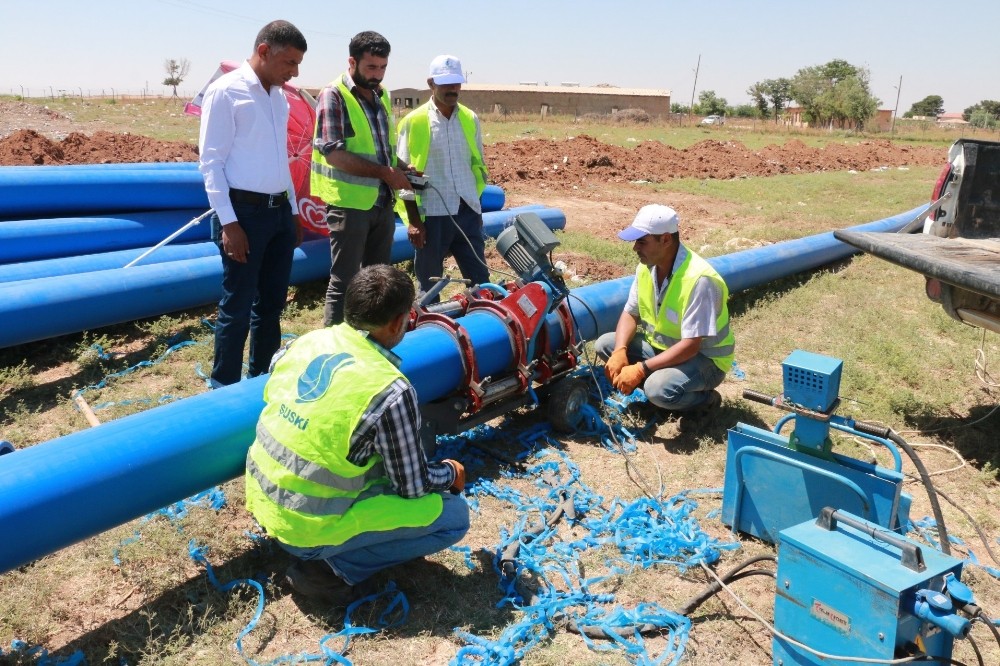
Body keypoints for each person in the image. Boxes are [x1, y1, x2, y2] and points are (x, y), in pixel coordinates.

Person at [245, 264, 470, 604]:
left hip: (264, 500)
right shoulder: (388, 389)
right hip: (306, 527)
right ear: (399, 321)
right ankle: (332, 569)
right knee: (453, 516)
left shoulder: (305, 343)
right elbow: (412, 487)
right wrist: (451, 473)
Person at [198, 20, 307, 388]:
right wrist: (229, 224)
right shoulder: (226, 92)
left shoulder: (278, 97)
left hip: (278, 212)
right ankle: (223, 387)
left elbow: (282, 159)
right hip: (243, 214)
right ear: (264, 51)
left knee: (272, 305)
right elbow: (210, 163)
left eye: (297, 64)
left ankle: (261, 379)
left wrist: (292, 211)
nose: (294, 72)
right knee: (238, 306)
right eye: (289, 62)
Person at [311, 31, 414, 326]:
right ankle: (334, 345)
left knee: (377, 281)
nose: (377, 74)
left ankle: (368, 339)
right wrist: (386, 173)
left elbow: (382, 151)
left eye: (382, 67)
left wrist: (402, 168)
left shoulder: (380, 95)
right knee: (344, 281)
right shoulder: (333, 95)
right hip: (350, 205)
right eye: (371, 67)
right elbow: (333, 153)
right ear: (352, 62)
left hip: (381, 202)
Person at [596, 204, 734, 414]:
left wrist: (641, 369)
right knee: (606, 344)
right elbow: (631, 313)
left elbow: (690, 346)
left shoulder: (699, 280)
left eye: (642, 242)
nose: (635, 248)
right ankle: (661, 391)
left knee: (658, 389)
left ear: (666, 239)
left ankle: (704, 400)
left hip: (706, 360)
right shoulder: (646, 267)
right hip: (664, 348)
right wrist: (620, 350)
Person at [396, 55, 490, 299]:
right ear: (431, 83)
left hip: (467, 210)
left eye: (456, 83)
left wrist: (476, 207)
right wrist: (414, 221)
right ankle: (430, 329)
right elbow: (403, 176)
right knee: (429, 286)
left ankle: (483, 326)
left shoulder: (470, 118)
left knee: (480, 281)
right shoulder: (414, 121)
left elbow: (476, 165)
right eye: (446, 83)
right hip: (432, 215)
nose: (453, 89)